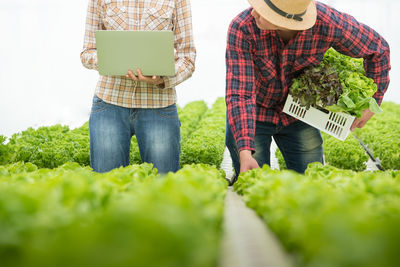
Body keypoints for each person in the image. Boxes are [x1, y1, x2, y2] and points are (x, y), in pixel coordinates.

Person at [225, 0, 390, 183]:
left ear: (286, 20)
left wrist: (373, 102)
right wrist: (245, 152)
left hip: (298, 114)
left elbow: (378, 49)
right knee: (256, 184)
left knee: (312, 184)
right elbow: (241, 93)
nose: (254, 13)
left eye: (264, 11)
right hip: (253, 113)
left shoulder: (326, 22)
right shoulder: (243, 27)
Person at [81, 0, 196, 173]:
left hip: (159, 106)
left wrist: (161, 79)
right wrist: (114, 61)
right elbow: (87, 52)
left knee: (163, 187)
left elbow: (187, 58)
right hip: (109, 102)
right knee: (107, 186)